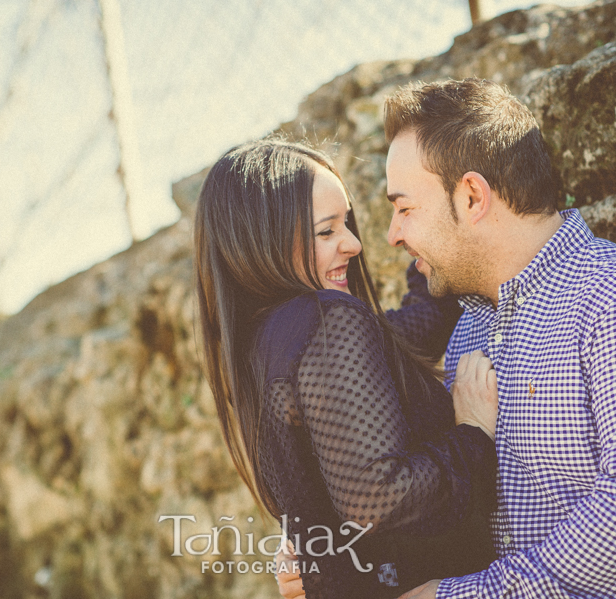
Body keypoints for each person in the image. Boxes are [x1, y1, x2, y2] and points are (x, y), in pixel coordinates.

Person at [271, 77, 616, 599]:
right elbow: (436, 498)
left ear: (472, 196)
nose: (389, 234)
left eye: (404, 207)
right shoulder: (468, 334)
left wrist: (456, 597)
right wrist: (334, 557)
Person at [194, 138, 500, 599]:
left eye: (348, 223)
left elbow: (419, 325)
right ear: (263, 239)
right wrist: (473, 435)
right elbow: (378, 500)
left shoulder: (260, 347)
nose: (354, 244)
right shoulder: (326, 320)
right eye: (326, 231)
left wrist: (429, 227)